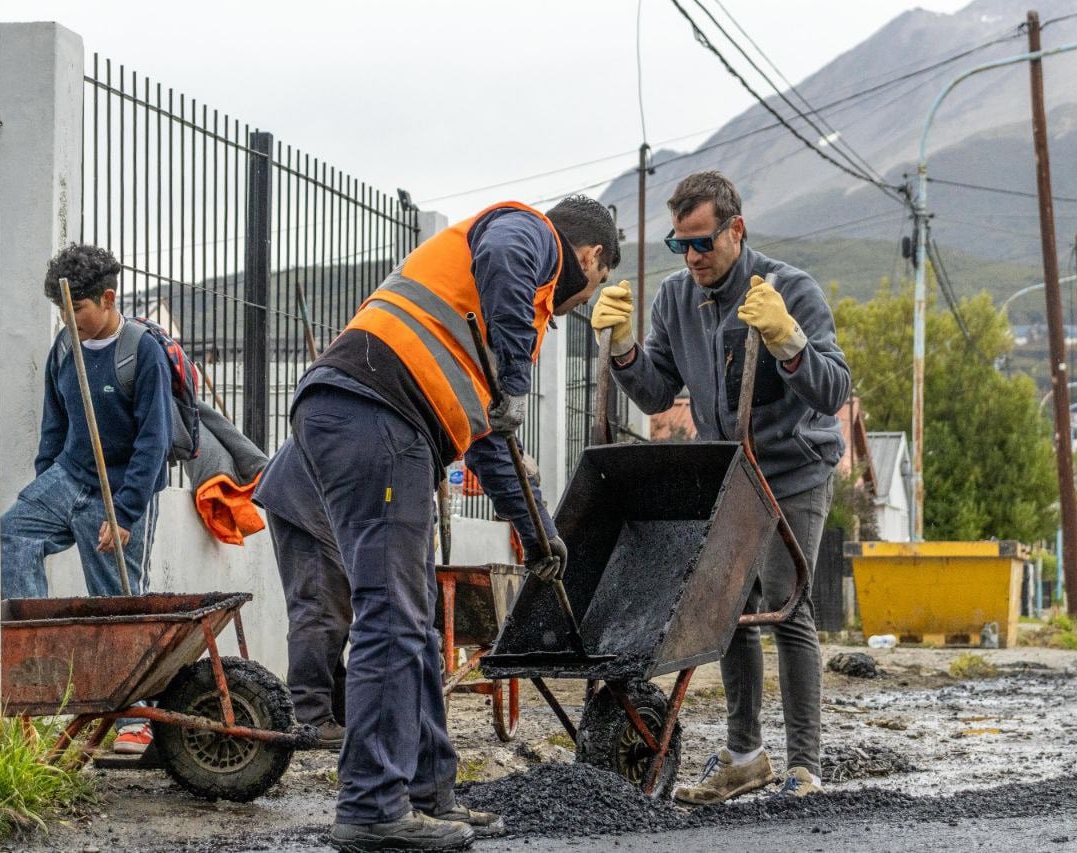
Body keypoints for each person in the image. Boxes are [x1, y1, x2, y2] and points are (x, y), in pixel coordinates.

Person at [257, 195, 618, 851]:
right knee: (392, 611)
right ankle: (371, 806)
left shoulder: (475, 311)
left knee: (417, 619)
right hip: (374, 408)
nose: (574, 305)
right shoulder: (526, 234)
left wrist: (540, 533)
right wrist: (512, 375)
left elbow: (488, 439)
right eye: (591, 289)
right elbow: (506, 262)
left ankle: (428, 794)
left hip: (382, 416)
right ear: (591, 258)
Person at [590, 171, 850, 802]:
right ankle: (745, 755)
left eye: (702, 243)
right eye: (680, 246)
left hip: (792, 469)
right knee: (730, 610)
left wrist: (789, 342)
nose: (693, 258)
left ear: (736, 229)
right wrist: (623, 350)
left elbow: (833, 390)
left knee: (788, 605)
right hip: (731, 473)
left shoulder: (791, 290)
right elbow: (655, 392)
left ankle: (805, 768)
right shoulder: (677, 300)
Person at [0, 243, 173, 756]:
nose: (67, 318)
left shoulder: (142, 351)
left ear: (108, 297)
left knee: (117, 603)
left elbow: (154, 441)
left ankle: (134, 721)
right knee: (14, 531)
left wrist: (124, 513)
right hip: (69, 477)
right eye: (60, 310)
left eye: (75, 308)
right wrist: (42, 484)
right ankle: (45, 670)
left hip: (120, 490)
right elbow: (54, 427)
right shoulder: (63, 348)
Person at [253, 439, 350, 751]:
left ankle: (337, 710)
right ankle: (311, 716)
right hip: (305, 491)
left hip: (311, 485)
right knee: (320, 605)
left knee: (333, 603)